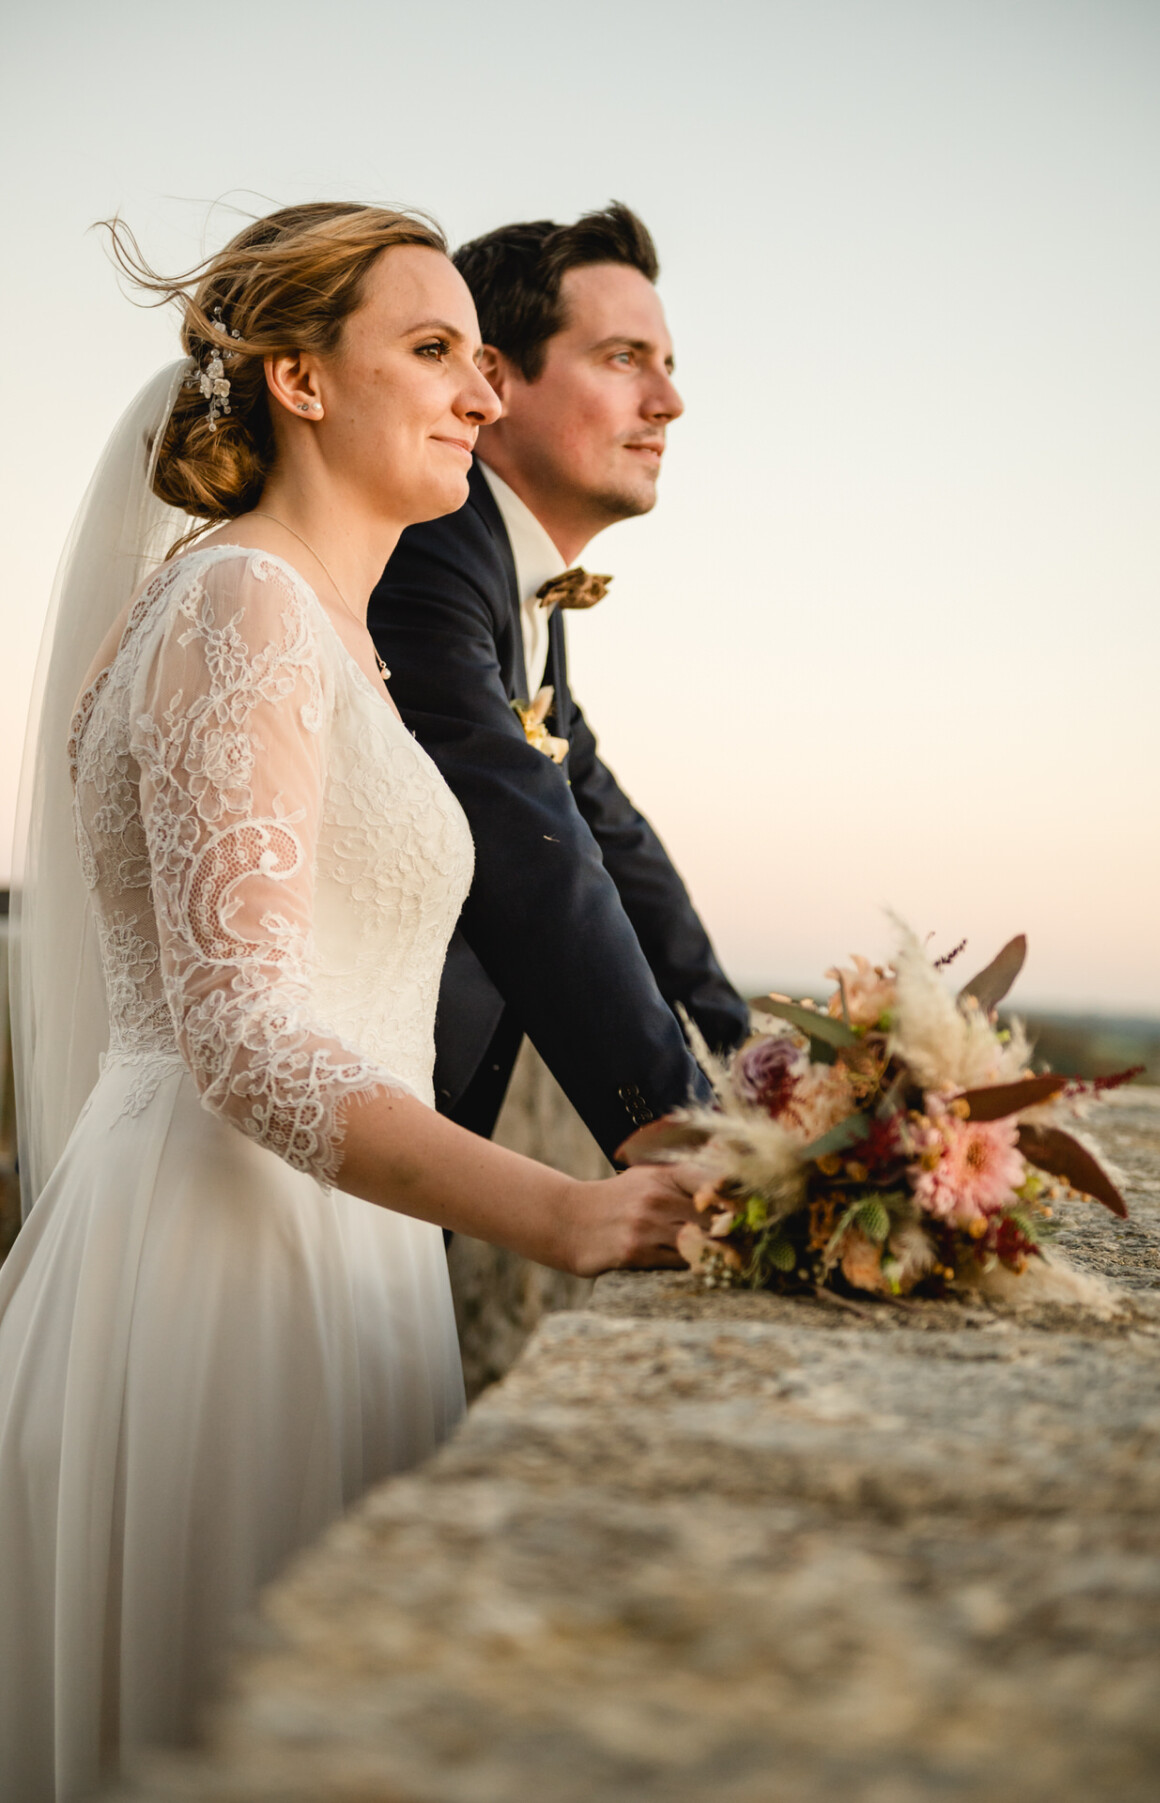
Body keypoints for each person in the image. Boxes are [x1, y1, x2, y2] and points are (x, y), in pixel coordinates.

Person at [0, 202, 698, 1803]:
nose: (482, 393)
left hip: (338, 1241)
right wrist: (574, 1215)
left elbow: (604, 858)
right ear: (301, 381)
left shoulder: (326, 629)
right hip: (223, 1263)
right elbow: (244, 1033)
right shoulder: (241, 603)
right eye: (435, 350)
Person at [370, 204, 748, 1161]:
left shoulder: (515, 575)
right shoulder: (427, 558)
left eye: (667, 366)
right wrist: (680, 1133)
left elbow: (604, 825)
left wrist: (751, 1059)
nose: (668, 401)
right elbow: (528, 847)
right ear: (493, 381)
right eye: (624, 359)